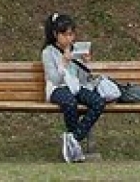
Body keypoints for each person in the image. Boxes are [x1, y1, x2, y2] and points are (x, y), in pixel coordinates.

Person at [41, 12, 106, 163]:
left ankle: (72, 139)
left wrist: (85, 63)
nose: (69, 38)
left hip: (75, 86)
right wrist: (63, 63)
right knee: (70, 103)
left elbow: (83, 80)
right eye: (65, 35)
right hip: (57, 89)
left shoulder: (75, 49)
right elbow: (55, 80)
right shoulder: (48, 53)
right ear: (55, 34)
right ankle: (73, 147)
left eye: (71, 34)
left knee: (98, 102)